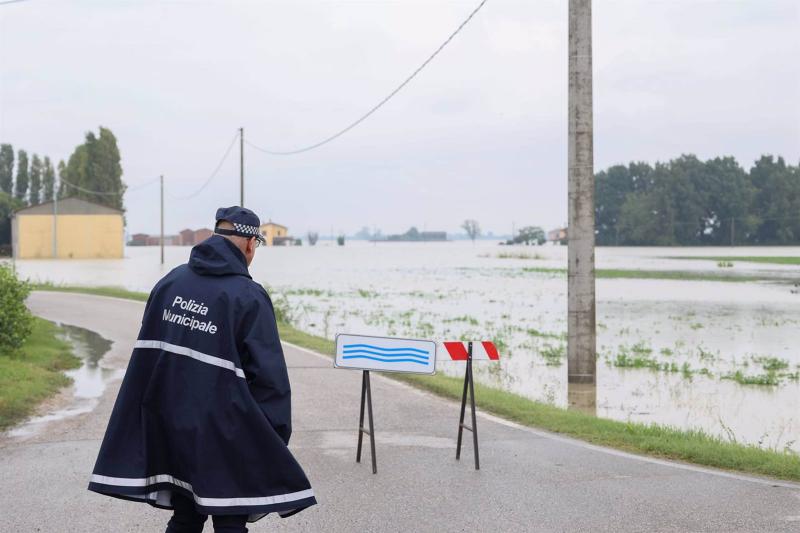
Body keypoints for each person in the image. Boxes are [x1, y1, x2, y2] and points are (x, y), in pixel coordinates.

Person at [88, 206, 316, 533]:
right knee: (230, 520)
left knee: (185, 517)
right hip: (227, 434)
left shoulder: (170, 283)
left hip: (171, 428)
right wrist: (272, 438)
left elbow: (151, 359)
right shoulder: (249, 297)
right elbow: (269, 380)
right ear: (251, 245)